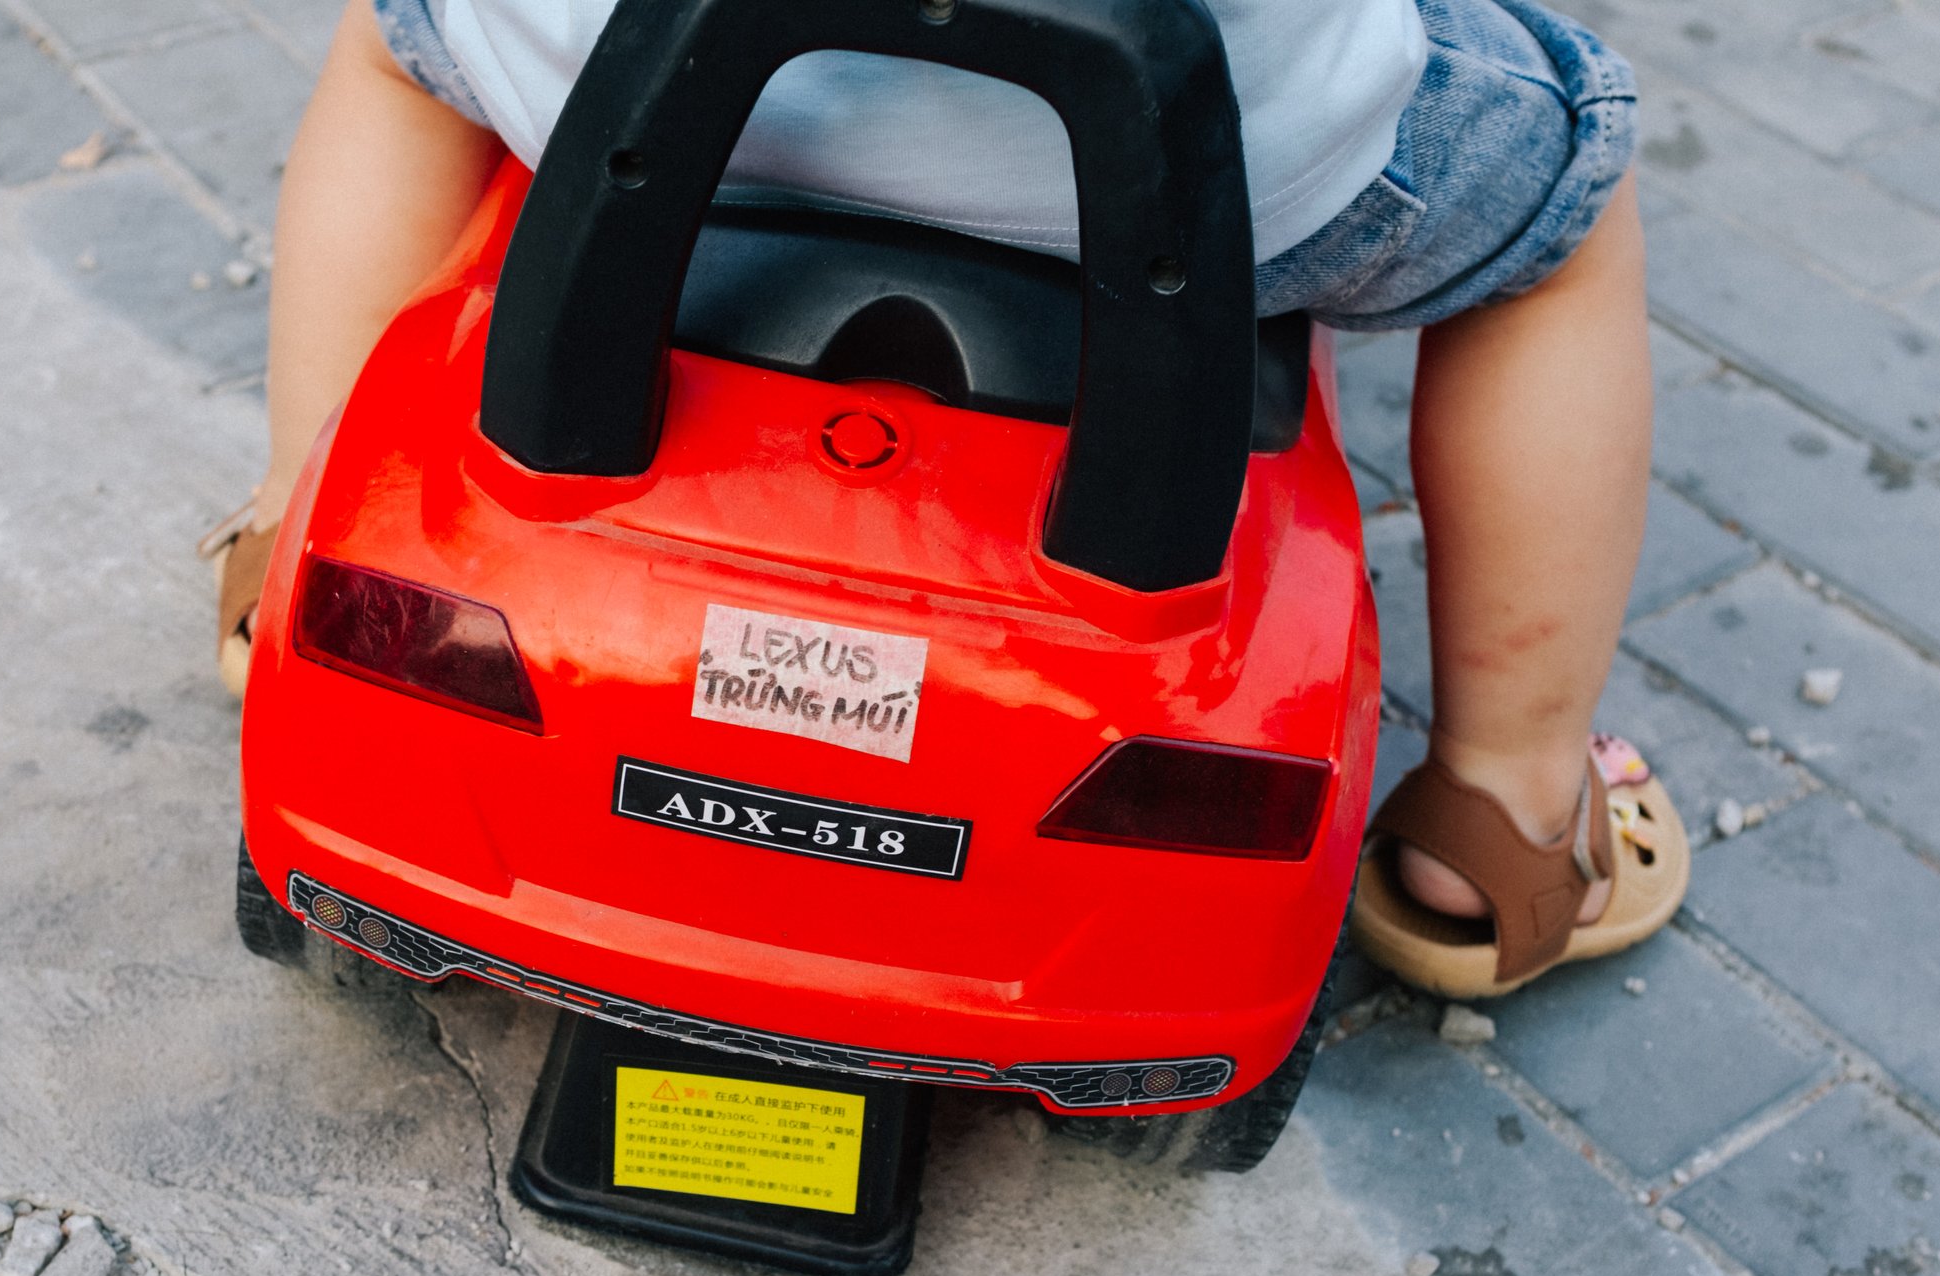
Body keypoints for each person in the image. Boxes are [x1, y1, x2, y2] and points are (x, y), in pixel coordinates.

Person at [205, 0, 1691, 998]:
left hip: (623, 66)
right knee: (1567, 197)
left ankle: (291, 533)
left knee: (399, 42)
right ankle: (1505, 805)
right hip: (1211, 139)